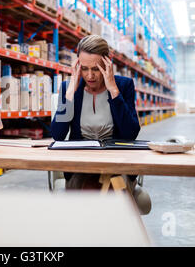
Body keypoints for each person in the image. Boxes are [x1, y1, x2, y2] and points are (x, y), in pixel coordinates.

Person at [51, 35, 151, 214]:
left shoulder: (123, 85)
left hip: (117, 165)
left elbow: (130, 133)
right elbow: (58, 134)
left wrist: (113, 90)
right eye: (85, 69)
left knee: (112, 193)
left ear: (107, 64)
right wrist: (70, 94)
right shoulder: (69, 86)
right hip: (81, 167)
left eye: (96, 69)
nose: (89, 76)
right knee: (88, 192)